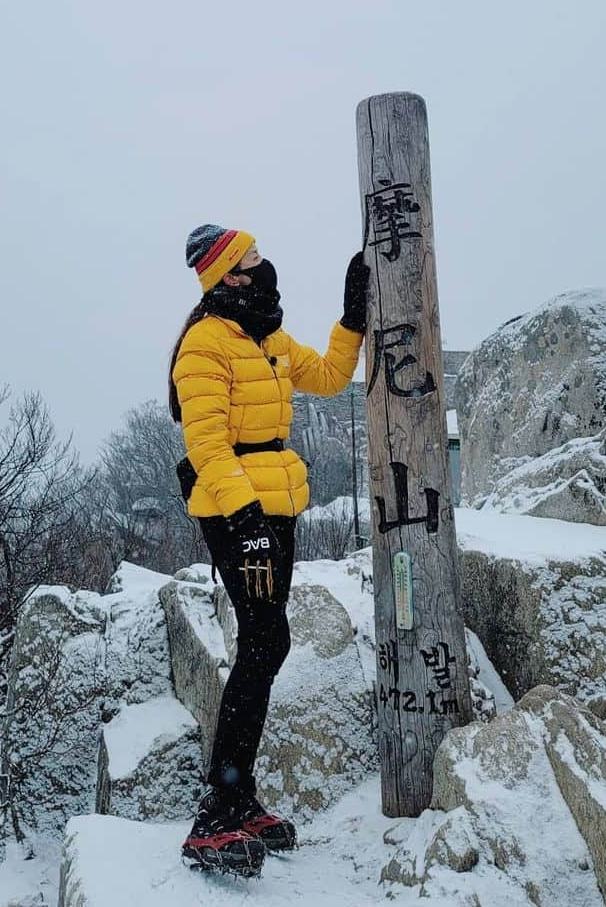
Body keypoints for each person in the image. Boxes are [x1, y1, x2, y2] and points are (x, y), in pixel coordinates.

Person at [168, 224, 369, 877]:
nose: (264, 265)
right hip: (238, 515)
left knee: (268, 642)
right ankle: (217, 814)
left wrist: (352, 317)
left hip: (275, 508)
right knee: (260, 642)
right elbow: (207, 444)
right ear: (228, 275)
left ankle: (239, 796)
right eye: (251, 259)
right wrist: (245, 516)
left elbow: (334, 376)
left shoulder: (268, 337)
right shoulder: (204, 344)